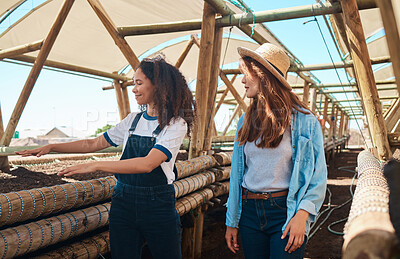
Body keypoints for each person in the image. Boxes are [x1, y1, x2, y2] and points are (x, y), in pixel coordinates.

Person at [16, 56, 196, 259]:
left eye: (139, 83)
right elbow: (92, 144)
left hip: (157, 205)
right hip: (123, 202)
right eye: (133, 83)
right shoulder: (132, 120)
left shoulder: (175, 124)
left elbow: (148, 164)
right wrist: (52, 146)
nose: (134, 89)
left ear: (158, 85)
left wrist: (95, 166)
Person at [225, 43, 327, 258]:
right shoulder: (245, 121)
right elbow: (237, 174)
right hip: (249, 211)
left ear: (263, 76)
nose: (242, 80)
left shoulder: (305, 122)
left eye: (246, 74)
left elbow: (318, 177)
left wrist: (302, 215)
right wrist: (231, 221)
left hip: (286, 212)